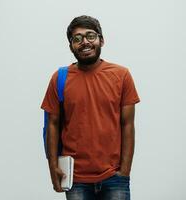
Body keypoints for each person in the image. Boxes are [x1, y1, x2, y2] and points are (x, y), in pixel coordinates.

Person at [41, 15, 140, 200]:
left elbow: (128, 125)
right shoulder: (59, 78)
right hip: (76, 178)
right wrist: (53, 166)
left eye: (90, 36)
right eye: (77, 39)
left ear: (101, 40)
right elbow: (52, 125)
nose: (84, 42)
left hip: (114, 177)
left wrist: (124, 171)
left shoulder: (121, 75)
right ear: (71, 46)